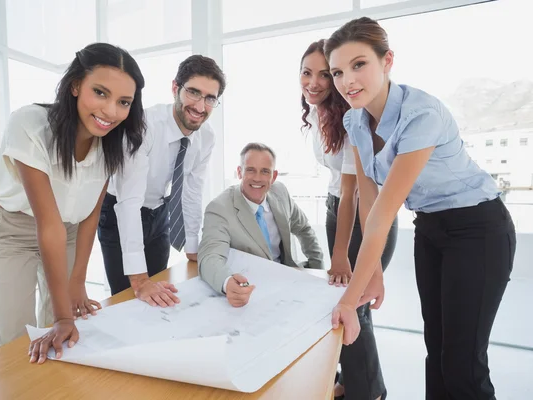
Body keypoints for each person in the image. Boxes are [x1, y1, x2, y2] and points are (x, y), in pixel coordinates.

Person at [325, 17, 516, 399]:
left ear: (387, 60)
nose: (347, 80)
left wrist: (349, 298)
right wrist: (374, 271)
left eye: (359, 64)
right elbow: (368, 198)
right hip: (430, 229)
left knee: (463, 361)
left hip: (478, 228)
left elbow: (384, 213)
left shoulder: (421, 114)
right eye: (338, 72)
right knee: (437, 350)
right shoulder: (355, 120)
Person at [0, 43, 146, 364]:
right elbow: (48, 223)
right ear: (74, 86)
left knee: (57, 337)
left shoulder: (112, 145)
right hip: (11, 233)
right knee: (18, 338)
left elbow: (90, 216)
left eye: (123, 102)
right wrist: (63, 316)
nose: (111, 111)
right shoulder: (30, 124)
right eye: (100, 93)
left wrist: (77, 282)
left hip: (68, 231)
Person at [300, 39, 397, 400]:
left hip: (361, 217)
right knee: (348, 304)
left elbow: (352, 193)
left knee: (355, 305)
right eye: (306, 72)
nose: (314, 82)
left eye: (326, 74)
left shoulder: (349, 118)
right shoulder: (317, 114)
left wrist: (340, 253)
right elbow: (336, 193)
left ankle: (367, 392)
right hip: (335, 210)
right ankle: (351, 382)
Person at [97, 55, 227, 306]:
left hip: (160, 214)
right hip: (119, 212)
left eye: (210, 98)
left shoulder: (206, 137)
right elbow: (129, 202)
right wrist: (139, 280)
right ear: (175, 88)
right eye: (193, 93)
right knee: (128, 301)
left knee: (161, 293)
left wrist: (193, 246)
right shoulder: (144, 126)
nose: (200, 107)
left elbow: (191, 191)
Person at [198, 143, 323, 306]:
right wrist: (227, 282)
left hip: (287, 283)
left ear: (274, 176)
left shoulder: (280, 192)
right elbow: (210, 256)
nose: (257, 178)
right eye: (250, 170)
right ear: (239, 172)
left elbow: (304, 230)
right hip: (250, 289)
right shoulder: (219, 208)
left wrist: (317, 269)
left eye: (265, 171)